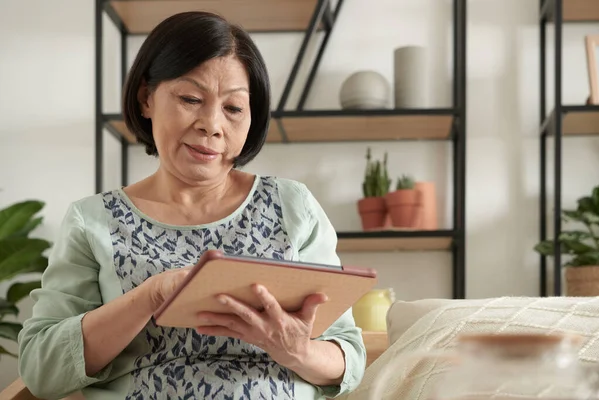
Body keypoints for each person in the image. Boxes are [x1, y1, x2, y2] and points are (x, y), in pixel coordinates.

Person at [17, 10, 366, 400]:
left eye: (233, 108)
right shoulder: (92, 220)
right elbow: (41, 370)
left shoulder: (292, 205)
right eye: (190, 99)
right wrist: (149, 296)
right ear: (147, 98)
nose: (212, 124)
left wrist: (296, 350)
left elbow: (346, 355)